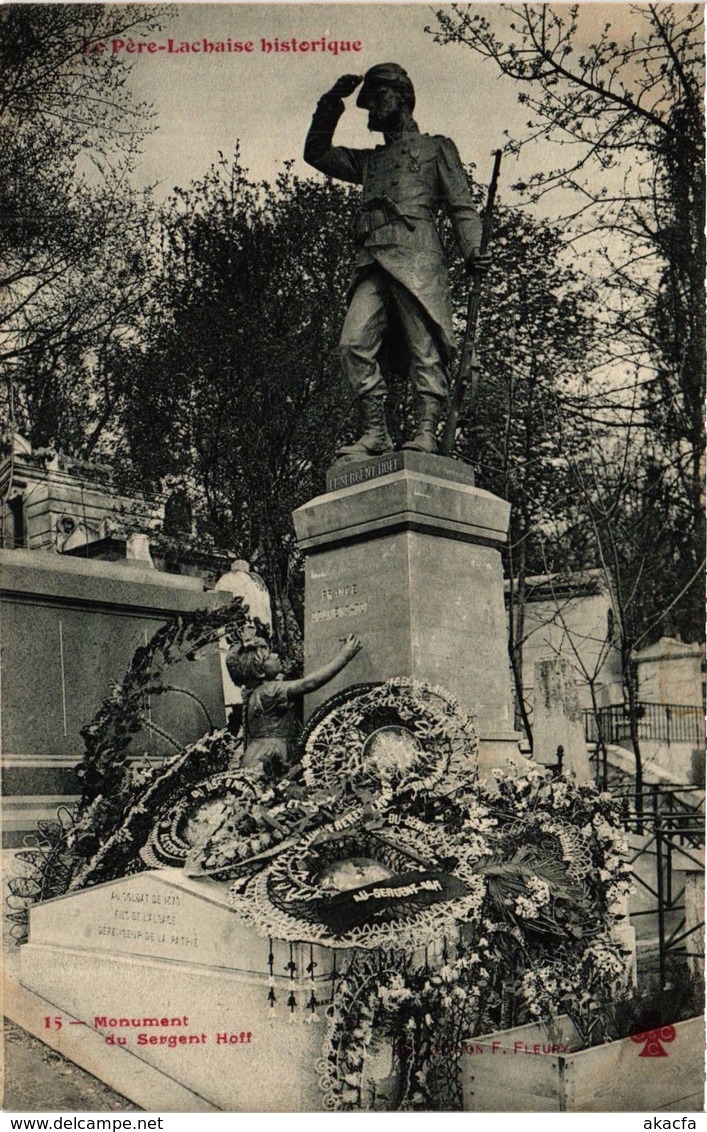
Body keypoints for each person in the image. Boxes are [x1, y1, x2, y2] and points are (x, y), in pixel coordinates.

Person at [304, 63, 490, 457]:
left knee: (424, 347)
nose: (372, 110)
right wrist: (331, 102)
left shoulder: (436, 148)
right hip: (372, 259)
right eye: (367, 103)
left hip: (418, 257)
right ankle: (376, 433)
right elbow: (317, 153)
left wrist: (473, 251)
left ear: (402, 97)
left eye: (378, 99)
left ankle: (426, 429)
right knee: (353, 344)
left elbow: (462, 207)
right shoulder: (369, 162)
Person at [225, 633, 362, 779]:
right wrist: (344, 656)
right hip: (270, 756)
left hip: (260, 754)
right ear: (259, 672)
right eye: (268, 657)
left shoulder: (258, 692)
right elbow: (309, 683)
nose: (276, 655)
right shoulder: (269, 691)